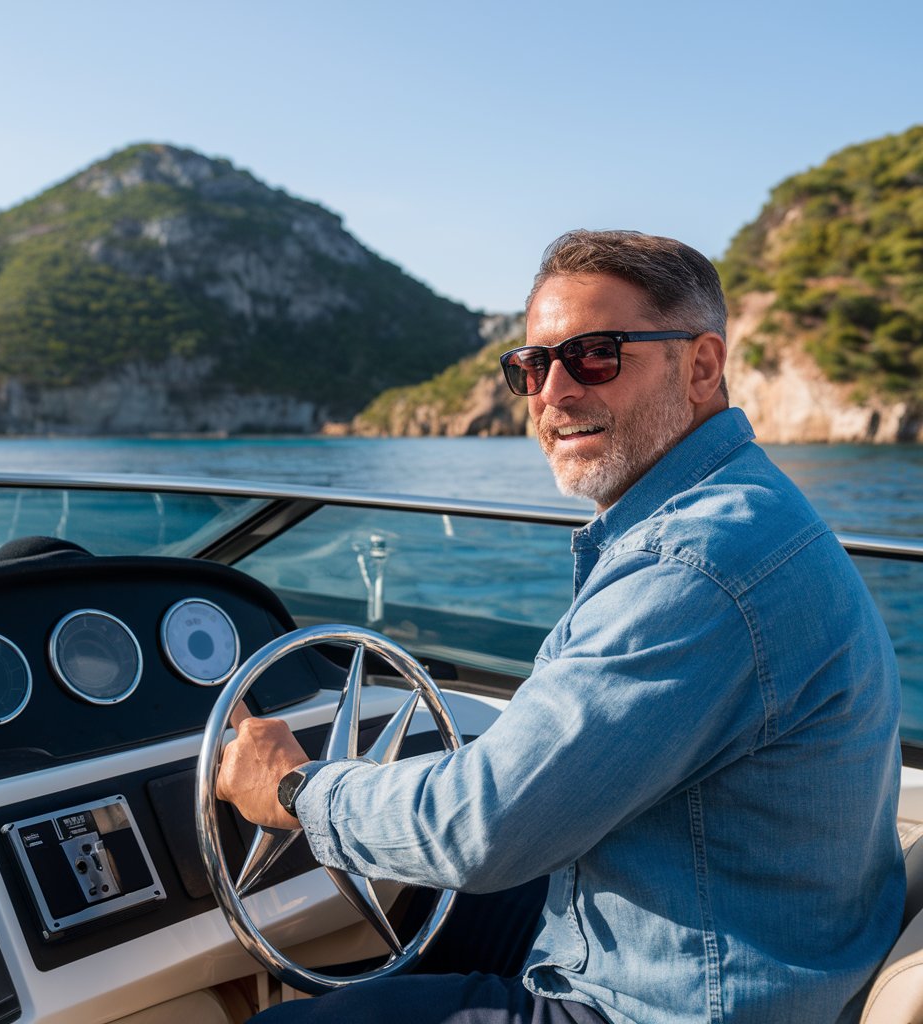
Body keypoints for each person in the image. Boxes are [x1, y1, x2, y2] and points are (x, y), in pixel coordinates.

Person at [216, 230, 905, 1024]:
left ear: (703, 366)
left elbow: (481, 828)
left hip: (671, 1003)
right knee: (413, 921)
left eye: (597, 355)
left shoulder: (693, 565)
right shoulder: (737, 505)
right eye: (532, 366)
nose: (554, 392)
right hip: (754, 942)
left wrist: (296, 790)